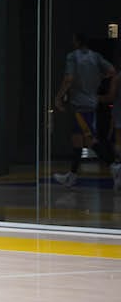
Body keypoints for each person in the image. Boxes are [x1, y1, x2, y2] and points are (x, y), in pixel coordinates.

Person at [54, 33, 115, 187]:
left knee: (89, 140)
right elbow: (111, 71)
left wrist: (58, 96)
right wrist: (97, 79)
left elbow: (69, 79)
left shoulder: (73, 57)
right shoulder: (95, 57)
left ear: (76, 42)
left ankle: (115, 166)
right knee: (77, 140)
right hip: (90, 102)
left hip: (79, 105)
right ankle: (72, 176)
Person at [98, 69, 121, 192]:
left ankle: (118, 170)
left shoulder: (117, 78)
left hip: (119, 113)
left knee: (118, 142)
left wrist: (97, 98)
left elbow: (111, 97)